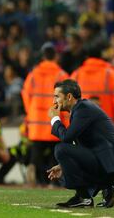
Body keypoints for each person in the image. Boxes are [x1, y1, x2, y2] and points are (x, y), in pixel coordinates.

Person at [47, 79, 114, 208]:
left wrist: (55, 119)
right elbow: (81, 146)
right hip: (109, 161)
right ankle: (108, 188)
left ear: (69, 96)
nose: (54, 102)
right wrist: (63, 165)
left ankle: (84, 197)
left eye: (57, 96)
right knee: (63, 169)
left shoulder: (83, 109)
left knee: (61, 149)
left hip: (111, 164)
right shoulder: (81, 109)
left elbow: (66, 137)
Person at [21, 42, 69, 185]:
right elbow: (67, 97)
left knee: (37, 150)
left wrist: (31, 113)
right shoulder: (61, 74)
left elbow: (25, 94)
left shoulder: (33, 74)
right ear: (55, 56)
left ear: (42, 56)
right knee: (55, 152)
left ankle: (35, 172)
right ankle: (53, 182)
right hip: (53, 118)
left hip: (36, 121)